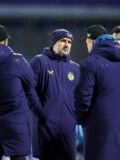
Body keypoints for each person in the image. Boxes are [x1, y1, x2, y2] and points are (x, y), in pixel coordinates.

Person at [0, 24, 44, 160]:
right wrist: (41, 114)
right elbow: (31, 88)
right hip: (15, 125)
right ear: (6, 41)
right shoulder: (17, 60)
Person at [76, 25, 120, 160]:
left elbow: (83, 98)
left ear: (91, 42)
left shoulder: (91, 63)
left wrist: (81, 119)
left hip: (100, 133)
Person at [30, 29, 79, 160]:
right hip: (46, 130)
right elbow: (29, 89)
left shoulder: (75, 68)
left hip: (68, 133)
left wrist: (75, 118)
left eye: (69, 42)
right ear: (53, 43)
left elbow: (79, 98)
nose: (67, 44)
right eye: (63, 40)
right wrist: (41, 112)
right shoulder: (39, 62)